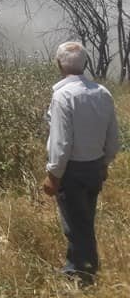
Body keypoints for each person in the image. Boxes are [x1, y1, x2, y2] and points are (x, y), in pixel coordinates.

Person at [42, 41, 120, 286]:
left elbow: (61, 142)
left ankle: (82, 277)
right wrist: (104, 164)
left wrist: (53, 175)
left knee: (76, 227)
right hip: (95, 167)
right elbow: (113, 136)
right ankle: (79, 269)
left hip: (72, 171)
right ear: (85, 63)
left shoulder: (63, 96)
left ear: (59, 64)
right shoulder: (102, 92)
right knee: (84, 220)